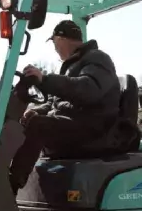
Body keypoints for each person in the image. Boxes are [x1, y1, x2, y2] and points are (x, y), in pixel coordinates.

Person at [9, 20, 121, 194]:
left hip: (93, 129)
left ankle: (10, 187)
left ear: (60, 38)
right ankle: (3, 178)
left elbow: (88, 90)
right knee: (25, 124)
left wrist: (45, 80)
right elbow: (56, 102)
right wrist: (35, 110)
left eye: (54, 42)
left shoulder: (97, 58)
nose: (54, 48)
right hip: (76, 124)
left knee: (38, 126)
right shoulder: (72, 65)